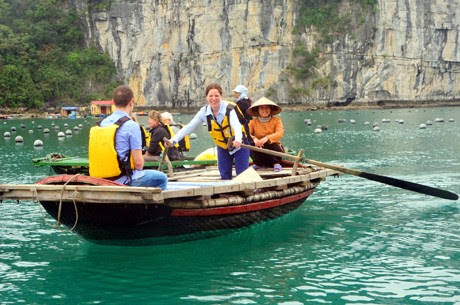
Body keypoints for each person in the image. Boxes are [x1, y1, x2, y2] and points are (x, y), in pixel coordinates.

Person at [88, 85, 167, 189]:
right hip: (123, 180)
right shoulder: (132, 125)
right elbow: (138, 164)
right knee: (162, 178)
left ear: (113, 102)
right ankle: (152, 205)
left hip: (100, 179)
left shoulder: (101, 123)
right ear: (131, 102)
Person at [166, 83, 250, 180]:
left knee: (242, 174)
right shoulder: (204, 112)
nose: (213, 99)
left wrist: (238, 139)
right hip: (223, 146)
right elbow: (188, 127)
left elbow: (237, 126)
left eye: (216, 96)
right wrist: (173, 141)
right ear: (206, 97)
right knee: (225, 175)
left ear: (221, 96)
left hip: (239, 144)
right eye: (210, 96)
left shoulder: (229, 109)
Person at [247, 97, 285, 172]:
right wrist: (255, 139)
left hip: (274, 151)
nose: (264, 110)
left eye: (267, 108)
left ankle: (276, 163)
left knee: (270, 142)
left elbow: (280, 133)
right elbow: (247, 134)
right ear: (257, 110)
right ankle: (258, 164)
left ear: (271, 109)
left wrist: (267, 138)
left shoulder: (277, 120)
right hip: (259, 150)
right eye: (261, 108)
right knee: (249, 143)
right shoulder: (252, 122)